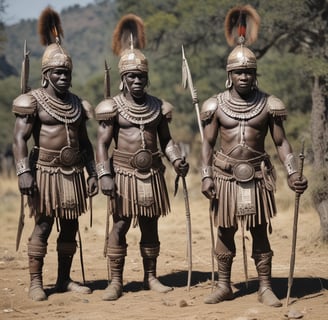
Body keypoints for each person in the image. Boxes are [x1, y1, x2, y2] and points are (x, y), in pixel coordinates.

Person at [200, 5, 307, 307]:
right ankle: (223, 285)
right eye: (238, 72)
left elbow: (282, 142)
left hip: (257, 175)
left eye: (249, 71)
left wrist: (293, 172)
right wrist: (206, 176)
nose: (244, 76)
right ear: (229, 75)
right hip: (225, 176)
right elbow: (207, 145)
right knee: (225, 229)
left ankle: (264, 286)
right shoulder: (215, 106)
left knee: (259, 230)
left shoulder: (269, 105)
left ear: (255, 74)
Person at [95, 14, 189, 301]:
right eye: (131, 76)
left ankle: (150, 276)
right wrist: (104, 174)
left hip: (152, 174)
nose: (137, 80)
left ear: (147, 78)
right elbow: (102, 144)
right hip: (122, 172)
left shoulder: (159, 107)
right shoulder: (112, 108)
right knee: (120, 224)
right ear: (123, 79)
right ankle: (115, 282)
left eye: (141, 76)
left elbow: (167, 140)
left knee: (150, 224)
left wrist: (176, 159)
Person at [12, 7, 98, 301]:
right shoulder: (32, 101)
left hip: (73, 173)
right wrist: (24, 171)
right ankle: (36, 282)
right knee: (44, 224)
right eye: (58, 72)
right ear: (46, 74)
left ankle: (63, 279)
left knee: (71, 225)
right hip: (45, 171)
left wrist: (93, 172)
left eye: (66, 73)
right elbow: (19, 139)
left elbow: (85, 143)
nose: (63, 77)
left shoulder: (77, 104)